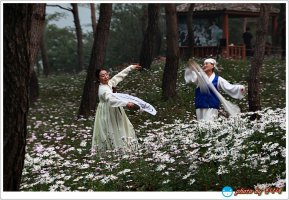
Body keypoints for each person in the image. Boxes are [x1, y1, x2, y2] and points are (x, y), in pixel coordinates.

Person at [91, 64, 141, 154]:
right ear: (98, 79)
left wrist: (130, 67)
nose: (106, 77)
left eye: (106, 74)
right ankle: (114, 151)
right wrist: (126, 103)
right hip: (107, 112)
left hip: (114, 109)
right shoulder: (103, 89)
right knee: (111, 129)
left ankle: (125, 147)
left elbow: (118, 77)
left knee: (121, 126)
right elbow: (111, 100)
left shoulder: (109, 83)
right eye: (102, 76)